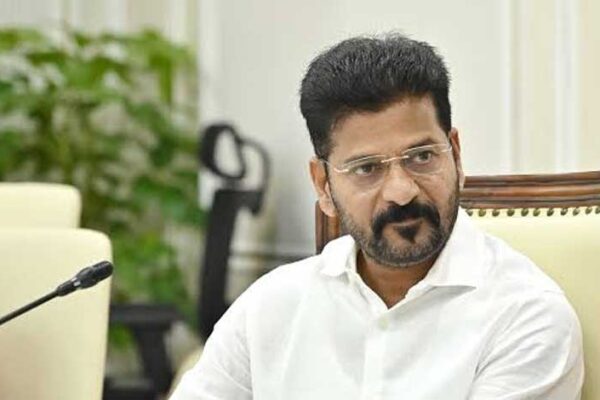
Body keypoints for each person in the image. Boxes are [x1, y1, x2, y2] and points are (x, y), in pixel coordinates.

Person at [170, 33, 583, 399]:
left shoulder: (526, 316)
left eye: (422, 156)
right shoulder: (270, 305)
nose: (402, 191)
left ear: (455, 155)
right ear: (323, 184)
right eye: (366, 168)